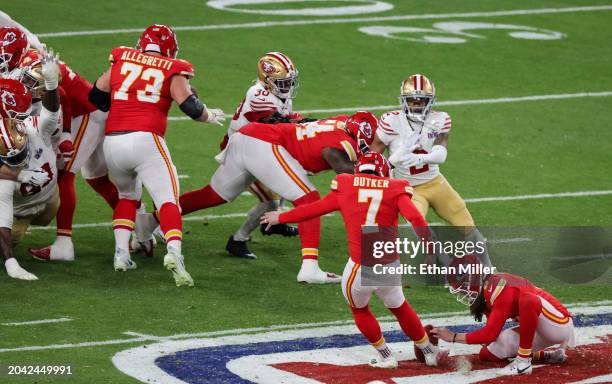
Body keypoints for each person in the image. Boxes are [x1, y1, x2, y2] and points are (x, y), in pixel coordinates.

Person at [138, 112, 376, 283]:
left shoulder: (342, 121)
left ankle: (149, 221)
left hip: (247, 138)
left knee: (214, 195)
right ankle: (310, 267)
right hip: (265, 145)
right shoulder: (338, 146)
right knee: (309, 199)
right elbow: (346, 172)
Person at [261, 152, 447, 368]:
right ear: (384, 172)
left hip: (360, 266)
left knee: (359, 309)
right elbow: (415, 218)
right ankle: (429, 352)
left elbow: (314, 210)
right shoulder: (396, 188)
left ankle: (386, 356)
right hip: (388, 265)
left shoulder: (346, 185)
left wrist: (280, 217)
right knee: (399, 306)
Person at [89, 24, 225, 286]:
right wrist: (207, 115)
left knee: (127, 197)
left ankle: (121, 254)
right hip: (146, 140)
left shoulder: (122, 57)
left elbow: (96, 95)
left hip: (113, 141)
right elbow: (190, 106)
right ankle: (175, 254)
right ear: (170, 49)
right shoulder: (172, 67)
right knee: (168, 201)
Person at [370, 74, 491, 267]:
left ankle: (488, 268)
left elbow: (441, 152)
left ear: (431, 101)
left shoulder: (440, 119)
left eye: (422, 100)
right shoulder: (391, 121)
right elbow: (372, 157)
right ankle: (426, 264)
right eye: (412, 100)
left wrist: (420, 158)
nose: (417, 104)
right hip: (406, 187)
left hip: (434, 182)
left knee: (465, 221)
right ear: (403, 100)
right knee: (414, 227)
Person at [431, 255, 574, 376]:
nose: (463, 293)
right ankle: (549, 356)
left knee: (527, 300)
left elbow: (490, 334)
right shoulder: (486, 294)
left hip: (558, 324)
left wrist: (453, 337)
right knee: (487, 354)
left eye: (462, 288)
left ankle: (523, 362)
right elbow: (491, 333)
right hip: (536, 327)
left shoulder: (498, 286)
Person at [223, 51, 304, 259]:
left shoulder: (279, 96)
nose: (288, 86)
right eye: (282, 82)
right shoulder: (258, 94)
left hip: (259, 150)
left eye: (289, 81)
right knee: (270, 201)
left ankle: (273, 224)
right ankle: (237, 240)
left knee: (293, 173)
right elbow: (277, 123)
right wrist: (306, 124)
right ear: (266, 80)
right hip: (241, 154)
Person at [0, 56, 62, 280]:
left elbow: (51, 113)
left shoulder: (32, 125)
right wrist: (10, 262)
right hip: (20, 213)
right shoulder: (4, 175)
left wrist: (53, 83)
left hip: (49, 197)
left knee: (49, 215)